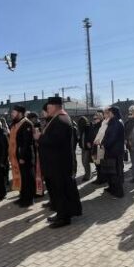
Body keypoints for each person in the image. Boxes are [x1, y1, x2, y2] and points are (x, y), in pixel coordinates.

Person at [39, 97, 82, 228]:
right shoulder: (56, 119)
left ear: (55, 106)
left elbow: (56, 142)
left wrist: (39, 138)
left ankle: (64, 218)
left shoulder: (61, 120)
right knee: (57, 191)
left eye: (49, 107)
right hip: (55, 164)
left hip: (59, 165)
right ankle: (60, 213)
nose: (47, 109)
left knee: (61, 191)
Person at [8, 106, 36, 208]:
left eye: (13, 112)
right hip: (17, 156)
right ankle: (22, 196)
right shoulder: (15, 124)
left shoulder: (26, 124)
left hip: (25, 157)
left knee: (27, 178)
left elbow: (26, 143)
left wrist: (22, 156)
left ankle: (28, 200)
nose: (12, 114)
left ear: (20, 113)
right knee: (21, 178)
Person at [101, 106, 126, 199]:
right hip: (111, 150)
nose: (108, 114)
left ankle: (118, 192)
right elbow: (107, 135)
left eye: (110, 112)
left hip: (115, 151)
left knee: (115, 172)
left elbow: (112, 138)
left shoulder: (116, 123)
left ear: (113, 113)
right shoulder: (113, 122)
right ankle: (112, 188)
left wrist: (104, 144)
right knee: (110, 171)